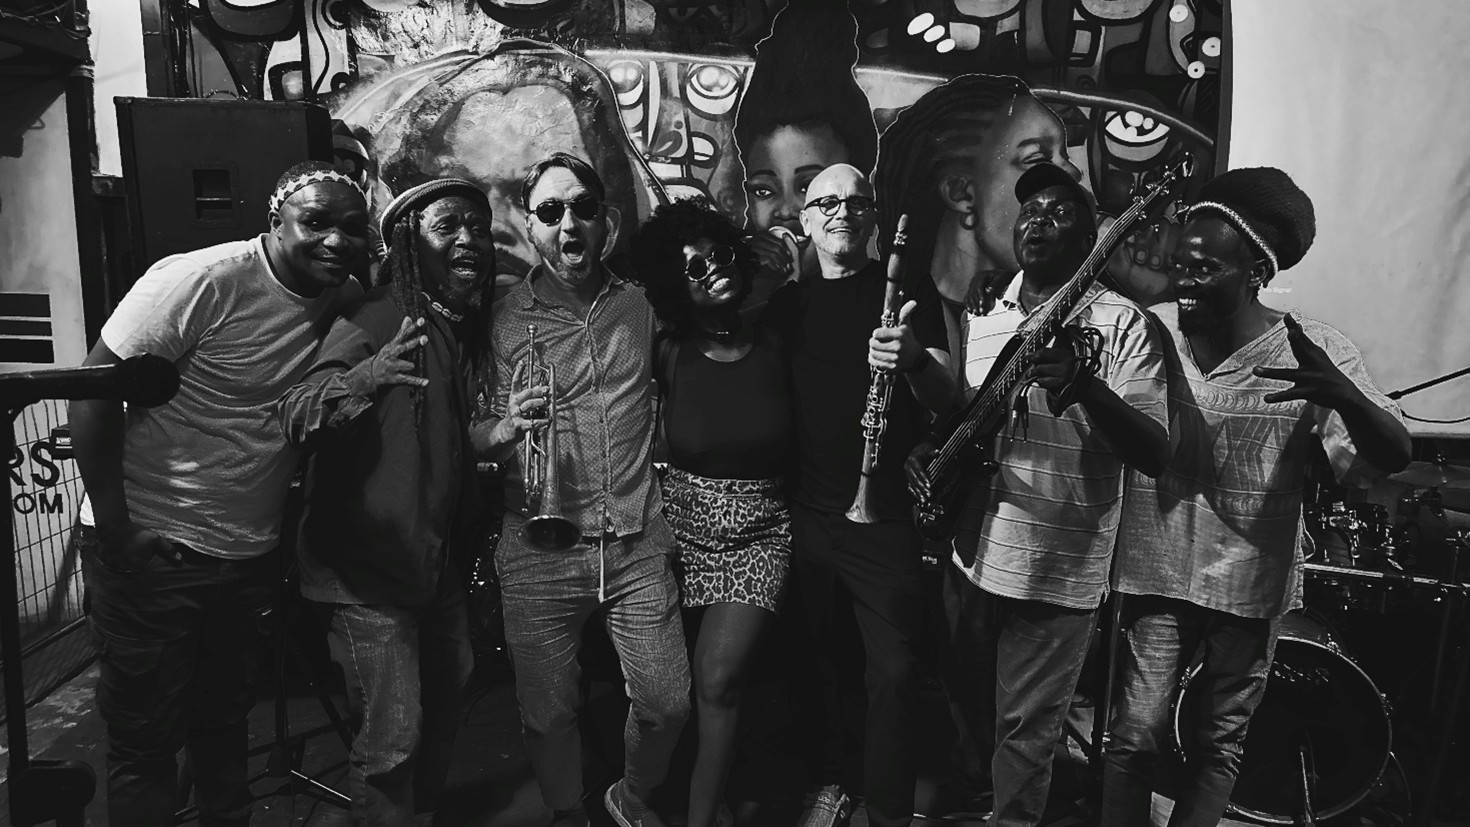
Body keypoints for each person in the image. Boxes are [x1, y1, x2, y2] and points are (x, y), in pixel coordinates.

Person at [1101, 167, 1411, 827]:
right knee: (1132, 737)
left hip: (1249, 583)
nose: (1184, 281)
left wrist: (1348, 399)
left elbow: (1392, 455)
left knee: (1218, 745)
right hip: (1158, 571)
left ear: (1257, 273)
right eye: (1180, 265)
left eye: (1205, 269)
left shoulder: (1312, 350)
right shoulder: (1152, 331)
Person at [70, 161, 369, 827]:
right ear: (276, 222)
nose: (335, 239)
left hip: (244, 557)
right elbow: (91, 393)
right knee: (146, 744)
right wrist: (116, 528)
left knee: (225, 724)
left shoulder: (341, 292)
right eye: (316, 221)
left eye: (352, 227)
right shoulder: (202, 279)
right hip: (156, 550)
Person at [906, 162, 1170, 827]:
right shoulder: (985, 305)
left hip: (1058, 569)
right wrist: (929, 448)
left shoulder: (1123, 323)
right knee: (969, 714)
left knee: (1027, 735)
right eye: (1029, 210)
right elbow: (969, 411)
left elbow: (1155, 451)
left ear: (1093, 235)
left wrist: (1087, 388)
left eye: (1059, 211)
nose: (1038, 221)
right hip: (972, 557)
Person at [477, 152, 691, 827]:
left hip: (634, 539)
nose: (568, 223)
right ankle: (567, 813)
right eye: (550, 211)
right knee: (547, 715)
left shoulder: (642, 305)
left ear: (606, 221)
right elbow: (473, 435)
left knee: (667, 704)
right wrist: (504, 427)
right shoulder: (502, 319)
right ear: (530, 226)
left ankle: (631, 797)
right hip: (536, 546)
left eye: (582, 208)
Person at [277, 178, 497, 825]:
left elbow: (431, 444)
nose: (469, 238)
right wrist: (365, 376)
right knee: (392, 737)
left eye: (478, 227)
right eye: (447, 226)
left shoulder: (449, 327)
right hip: (368, 576)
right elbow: (297, 412)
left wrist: (496, 437)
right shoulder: (380, 317)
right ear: (408, 243)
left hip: (429, 567)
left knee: (448, 698)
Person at [762, 163, 954, 827]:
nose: (842, 211)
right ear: (806, 220)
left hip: (884, 521)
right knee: (820, 666)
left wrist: (915, 359)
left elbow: (948, 397)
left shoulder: (906, 291)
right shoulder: (786, 306)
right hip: (808, 517)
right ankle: (834, 782)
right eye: (827, 203)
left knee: (895, 672)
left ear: (872, 215)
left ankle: (888, 811)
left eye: (856, 201)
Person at [628, 198, 793, 827]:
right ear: (675, 286)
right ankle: (671, 795)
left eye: (719, 256)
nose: (712, 270)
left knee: (718, 678)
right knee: (672, 691)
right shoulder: (667, 350)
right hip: (679, 535)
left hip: (760, 535)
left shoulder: (777, 340)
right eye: (692, 268)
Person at [872, 75, 1080, 316]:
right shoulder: (896, 312)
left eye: (1065, 156)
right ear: (961, 194)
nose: (1073, 173)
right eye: (1037, 159)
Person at [733, 0, 878, 305]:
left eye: (809, 186)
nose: (786, 211)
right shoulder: (737, 286)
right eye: (763, 190)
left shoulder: (887, 294)